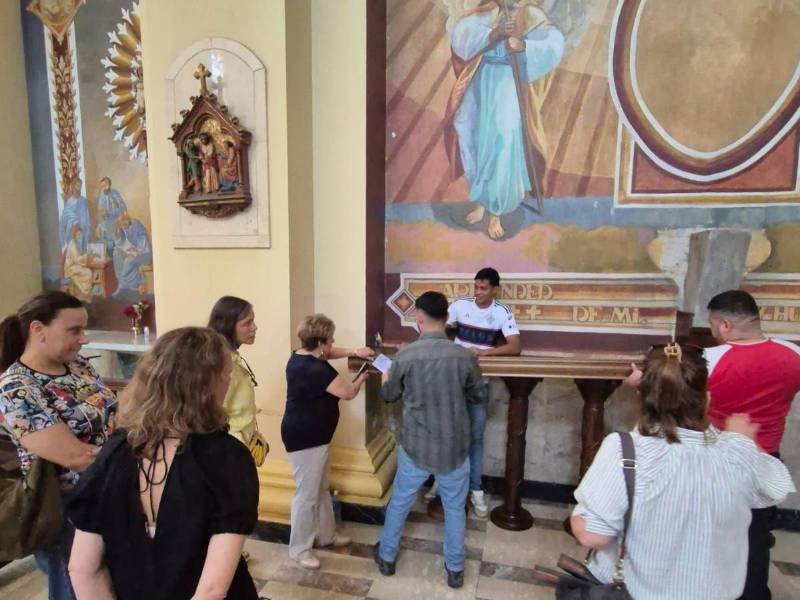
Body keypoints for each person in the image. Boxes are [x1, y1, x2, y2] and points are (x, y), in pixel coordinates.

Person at [573, 343, 795, 600]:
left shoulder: (623, 450)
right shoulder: (737, 452)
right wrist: (744, 441)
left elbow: (593, 536)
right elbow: (776, 487)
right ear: (707, 399)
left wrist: (576, 518)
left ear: (644, 398)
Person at [626, 290, 800, 599]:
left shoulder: (711, 360)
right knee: (755, 537)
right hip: (764, 459)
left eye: (713, 324)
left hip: (715, 459)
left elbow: (671, 393)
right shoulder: (793, 354)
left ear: (724, 325)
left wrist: (640, 382)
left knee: (705, 535)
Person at [66, 327, 264, 600]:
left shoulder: (114, 453)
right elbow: (211, 591)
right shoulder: (227, 457)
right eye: (226, 375)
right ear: (209, 385)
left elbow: (82, 569)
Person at [0, 291, 116, 600]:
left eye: (84, 329)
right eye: (74, 330)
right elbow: (76, 457)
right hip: (65, 509)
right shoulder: (17, 388)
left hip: (106, 494)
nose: (83, 339)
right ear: (38, 329)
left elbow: (114, 416)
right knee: (73, 589)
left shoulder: (78, 366)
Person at [374, 291, 487, 589]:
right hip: (454, 446)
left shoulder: (406, 355)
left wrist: (385, 380)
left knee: (400, 501)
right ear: (446, 318)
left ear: (419, 318)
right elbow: (478, 395)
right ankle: (455, 569)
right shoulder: (464, 356)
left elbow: (389, 396)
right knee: (454, 508)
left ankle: (387, 557)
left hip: (417, 444)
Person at [445, 0, 564, 239]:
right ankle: (482, 201)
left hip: (508, 83)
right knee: (478, 141)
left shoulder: (530, 14)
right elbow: (461, 36)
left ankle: (495, 212)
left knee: (501, 142)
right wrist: (493, 34)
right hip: (482, 81)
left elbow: (554, 44)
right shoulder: (488, 11)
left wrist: (523, 45)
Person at [281, 314, 374, 569]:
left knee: (321, 488)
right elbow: (349, 392)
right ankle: (299, 550)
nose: (333, 343)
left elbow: (329, 353)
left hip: (315, 436)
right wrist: (364, 375)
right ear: (320, 343)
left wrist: (355, 351)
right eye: (330, 339)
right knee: (306, 496)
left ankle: (326, 535)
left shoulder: (300, 355)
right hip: (306, 438)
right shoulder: (315, 369)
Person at [427, 267, 521, 517]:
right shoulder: (460, 306)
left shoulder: (502, 312)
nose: (478, 292)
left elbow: (515, 346)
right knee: (447, 433)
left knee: (475, 437)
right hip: (454, 379)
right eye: (476, 287)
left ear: (494, 289)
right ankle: (440, 482)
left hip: (479, 382)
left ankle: (476, 488)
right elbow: (440, 331)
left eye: (484, 288)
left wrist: (485, 352)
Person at [208, 296, 259, 445]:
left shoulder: (232, 356)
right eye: (247, 323)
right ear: (228, 326)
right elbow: (214, 414)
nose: (254, 327)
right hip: (231, 445)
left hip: (241, 444)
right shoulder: (222, 363)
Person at [112, 212, 152, 296]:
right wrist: (117, 236)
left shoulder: (136, 224)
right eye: (121, 225)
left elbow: (143, 239)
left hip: (144, 253)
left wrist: (136, 251)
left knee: (128, 261)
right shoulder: (124, 229)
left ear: (127, 220)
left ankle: (123, 286)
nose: (123, 226)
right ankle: (129, 285)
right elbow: (120, 243)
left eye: (123, 224)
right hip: (133, 253)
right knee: (117, 256)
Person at [94, 177, 128, 256]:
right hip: (106, 224)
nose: (103, 188)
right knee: (105, 242)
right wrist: (99, 225)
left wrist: (114, 204)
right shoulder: (102, 198)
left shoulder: (115, 194)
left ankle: (117, 257)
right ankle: (110, 258)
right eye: (102, 186)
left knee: (117, 244)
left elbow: (123, 208)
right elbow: (100, 214)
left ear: (109, 185)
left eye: (105, 185)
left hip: (116, 222)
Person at [63, 224, 93, 301]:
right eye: (78, 234)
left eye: (81, 234)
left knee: (87, 271)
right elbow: (77, 259)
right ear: (74, 235)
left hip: (74, 266)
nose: (80, 236)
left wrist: (85, 258)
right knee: (88, 272)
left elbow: (77, 259)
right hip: (70, 268)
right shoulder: (72, 245)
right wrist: (86, 255)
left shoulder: (75, 243)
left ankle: (83, 293)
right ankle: (84, 293)